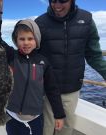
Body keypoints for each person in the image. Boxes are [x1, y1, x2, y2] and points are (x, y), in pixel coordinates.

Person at [0, 0, 66, 135]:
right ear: (16, 41)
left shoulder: (43, 62)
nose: (26, 43)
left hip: (35, 118)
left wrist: (59, 115)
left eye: (30, 39)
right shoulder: (11, 56)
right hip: (12, 116)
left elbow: (52, 90)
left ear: (36, 40)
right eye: (21, 39)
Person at [35, 0, 106, 135]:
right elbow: (30, 56)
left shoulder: (87, 20)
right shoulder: (40, 23)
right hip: (45, 90)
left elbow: (94, 55)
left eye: (62, 1)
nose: (57, 6)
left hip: (71, 90)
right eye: (53, 1)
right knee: (45, 129)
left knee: (65, 130)